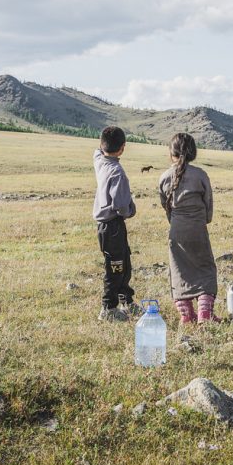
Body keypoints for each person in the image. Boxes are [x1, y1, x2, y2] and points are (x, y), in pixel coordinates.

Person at [158, 133, 219, 324]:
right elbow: (208, 203)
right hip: (198, 228)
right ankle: (204, 313)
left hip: (176, 230)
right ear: (193, 152)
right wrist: (204, 220)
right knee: (205, 267)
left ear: (171, 153)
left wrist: (175, 222)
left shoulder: (164, 177)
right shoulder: (200, 175)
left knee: (179, 269)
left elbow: (165, 206)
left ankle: (186, 315)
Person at [93, 126, 139, 321]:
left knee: (124, 263)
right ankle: (108, 308)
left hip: (106, 226)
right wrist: (131, 209)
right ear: (123, 148)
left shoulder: (99, 160)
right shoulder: (117, 172)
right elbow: (120, 205)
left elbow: (97, 150)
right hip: (113, 225)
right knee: (116, 266)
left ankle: (126, 301)